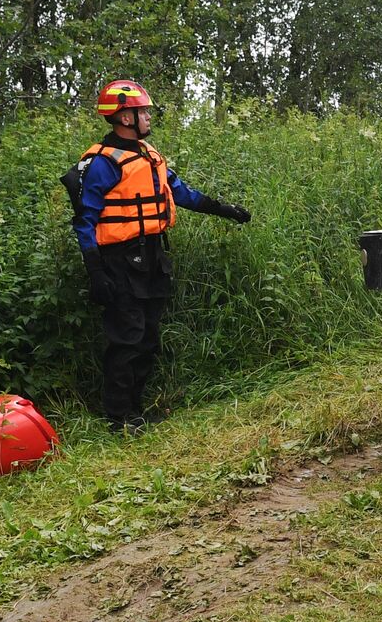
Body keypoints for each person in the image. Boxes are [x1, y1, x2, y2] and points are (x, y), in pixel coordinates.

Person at [73, 79, 252, 434]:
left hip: (153, 256)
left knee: (149, 336)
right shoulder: (102, 164)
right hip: (117, 261)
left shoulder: (148, 155)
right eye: (143, 111)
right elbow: (85, 222)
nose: (148, 117)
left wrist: (225, 210)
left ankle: (135, 411)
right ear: (125, 117)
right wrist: (96, 272)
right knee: (127, 337)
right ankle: (119, 418)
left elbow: (182, 193)